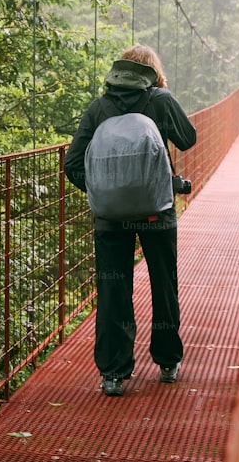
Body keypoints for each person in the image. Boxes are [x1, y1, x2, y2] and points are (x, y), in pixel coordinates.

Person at [63, 45, 197, 396]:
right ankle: (168, 362)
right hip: (157, 210)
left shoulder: (98, 108)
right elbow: (188, 138)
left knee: (113, 290)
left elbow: (72, 165)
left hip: (110, 217)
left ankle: (113, 373)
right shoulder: (161, 100)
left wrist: (103, 194)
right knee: (163, 284)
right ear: (152, 72)